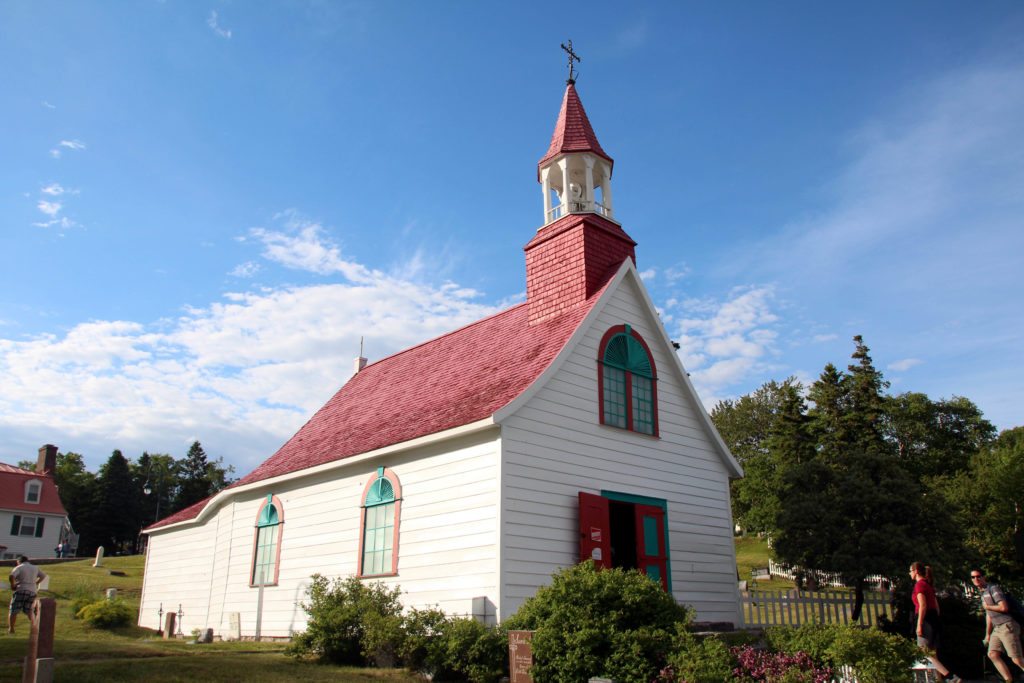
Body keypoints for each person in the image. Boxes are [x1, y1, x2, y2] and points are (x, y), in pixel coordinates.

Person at [909, 562, 962, 683]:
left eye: (910, 571)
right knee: (933, 653)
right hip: (933, 618)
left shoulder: (919, 585)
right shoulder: (928, 585)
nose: (909, 573)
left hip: (925, 619)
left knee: (924, 652)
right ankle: (939, 680)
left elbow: (923, 605)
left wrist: (920, 624)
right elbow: (936, 607)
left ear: (916, 571)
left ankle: (950, 677)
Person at [972, 569, 1024, 682]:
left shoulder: (993, 589)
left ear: (984, 577)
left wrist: (988, 607)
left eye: (978, 576)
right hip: (997, 628)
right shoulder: (983, 593)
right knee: (992, 654)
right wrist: (987, 634)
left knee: (1017, 659)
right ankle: (1008, 680)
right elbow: (989, 615)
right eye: (973, 577)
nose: (976, 579)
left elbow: (1003, 607)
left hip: (1007, 625)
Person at [8, 555, 47, 634]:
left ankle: (11, 629)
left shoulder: (19, 567)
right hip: (32, 591)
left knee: (13, 610)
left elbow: (11, 576)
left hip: (21, 589)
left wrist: (13, 585)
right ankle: (36, 627)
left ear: (19, 561)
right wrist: (36, 583)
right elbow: (43, 576)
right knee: (30, 611)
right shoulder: (35, 567)